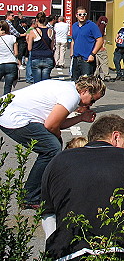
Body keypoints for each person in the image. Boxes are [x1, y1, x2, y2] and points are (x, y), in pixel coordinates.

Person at [41, 114, 124, 261]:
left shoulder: (58, 161)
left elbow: (48, 215)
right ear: (116, 137)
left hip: (70, 252)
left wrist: (54, 251)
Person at [0, 75, 105, 208]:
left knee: (53, 145)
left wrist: (81, 118)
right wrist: (57, 135)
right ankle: (30, 197)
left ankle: (37, 191)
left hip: (8, 110)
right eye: (92, 100)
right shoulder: (72, 96)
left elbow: (57, 123)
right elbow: (51, 126)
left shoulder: (68, 88)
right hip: (13, 117)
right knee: (52, 147)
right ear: (84, 91)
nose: (90, 104)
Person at [71, 6, 103, 81]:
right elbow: (73, 39)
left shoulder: (92, 25)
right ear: (76, 15)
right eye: (80, 14)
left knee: (86, 83)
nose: (82, 16)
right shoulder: (74, 26)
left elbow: (100, 40)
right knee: (75, 82)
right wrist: (72, 53)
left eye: (84, 14)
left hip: (87, 60)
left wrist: (92, 54)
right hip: (76, 58)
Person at [27, 12, 55, 83]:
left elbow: (29, 48)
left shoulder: (33, 32)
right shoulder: (51, 31)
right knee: (45, 83)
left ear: (36, 20)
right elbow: (52, 47)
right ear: (45, 20)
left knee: (37, 83)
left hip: (36, 57)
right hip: (48, 57)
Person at [0, 20, 19, 95]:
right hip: (11, 63)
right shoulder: (12, 37)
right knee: (8, 87)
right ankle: (5, 104)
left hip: (0, 63)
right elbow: (16, 53)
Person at [94, 16, 110, 80]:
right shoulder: (101, 27)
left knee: (97, 62)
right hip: (100, 47)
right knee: (104, 61)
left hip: (94, 47)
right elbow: (101, 37)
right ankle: (106, 75)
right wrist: (102, 46)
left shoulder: (95, 27)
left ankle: (96, 75)